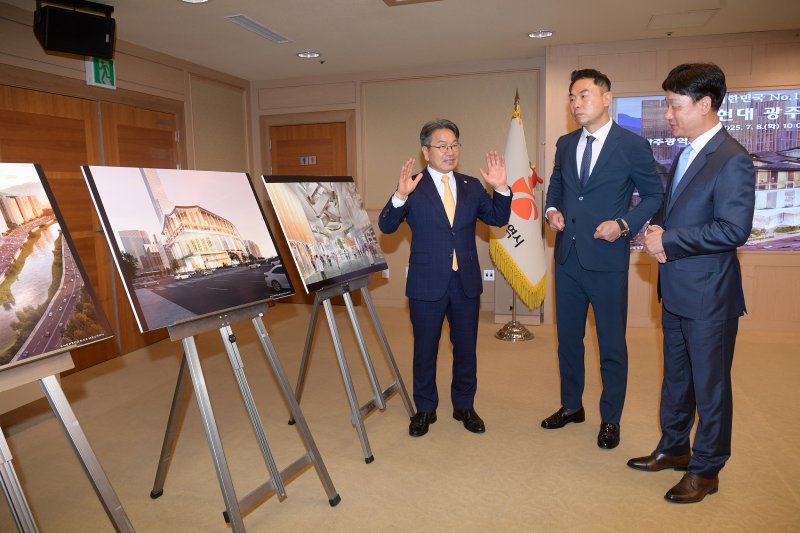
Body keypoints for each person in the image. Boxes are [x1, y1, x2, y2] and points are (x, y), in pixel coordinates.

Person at [628, 63, 755, 503]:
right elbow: (677, 210)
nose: (668, 114)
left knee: (710, 387)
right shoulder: (685, 154)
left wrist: (669, 240)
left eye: (674, 105)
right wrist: (656, 229)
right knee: (676, 379)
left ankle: (707, 470)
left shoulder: (733, 159)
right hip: (677, 289)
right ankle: (674, 447)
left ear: (704, 104)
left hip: (710, 297)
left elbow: (733, 229)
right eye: (667, 104)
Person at [542, 69, 663, 449]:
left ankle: (611, 418)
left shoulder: (632, 145)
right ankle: (571, 406)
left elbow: (654, 196)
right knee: (568, 341)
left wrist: (624, 225)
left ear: (607, 98)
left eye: (584, 95)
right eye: (572, 97)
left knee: (611, 345)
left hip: (607, 260)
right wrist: (551, 211)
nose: (576, 104)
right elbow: (557, 186)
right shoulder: (565, 144)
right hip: (567, 259)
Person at [379, 118, 511, 437]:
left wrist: (501, 188)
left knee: (466, 349)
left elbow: (498, 218)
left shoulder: (471, 186)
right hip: (426, 282)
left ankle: (464, 406)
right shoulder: (413, 186)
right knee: (425, 349)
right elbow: (386, 226)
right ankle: (425, 409)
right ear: (426, 152)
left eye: (454, 145)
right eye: (441, 146)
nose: (449, 151)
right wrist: (399, 196)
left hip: (465, 282)